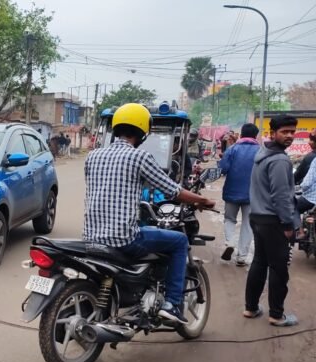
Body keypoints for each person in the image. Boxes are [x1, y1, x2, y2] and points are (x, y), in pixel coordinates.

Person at [84, 103, 215, 324]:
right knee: (179, 241)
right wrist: (202, 200)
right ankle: (173, 305)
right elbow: (172, 190)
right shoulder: (139, 157)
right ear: (143, 131)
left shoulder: (92, 157)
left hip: (91, 237)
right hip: (123, 239)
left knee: (147, 230)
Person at [245, 114, 299, 326]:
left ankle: (251, 308)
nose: (289, 136)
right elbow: (281, 196)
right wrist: (287, 224)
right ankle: (276, 315)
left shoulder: (262, 153)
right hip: (273, 221)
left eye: (292, 132)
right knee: (278, 268)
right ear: (272, 133)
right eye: (284, 132)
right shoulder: (279, 160)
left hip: (257, 217)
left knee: (259, 262)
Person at [218, 123, 260, 266]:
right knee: (247, 224)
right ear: (256, 135)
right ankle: (242, 257)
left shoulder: (233, 149)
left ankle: (230, 242)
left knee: (229, 219)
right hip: (252, 195)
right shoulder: (261, 151)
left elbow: (222, 169)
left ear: (241, 135)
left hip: (232, 192)